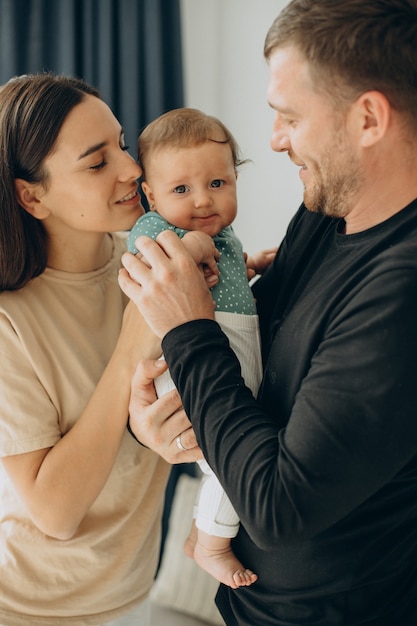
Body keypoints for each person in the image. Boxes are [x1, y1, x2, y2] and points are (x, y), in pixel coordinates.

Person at [118, 1, 417, 625]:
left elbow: (278, 506)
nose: (276, 140)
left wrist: (188, 330)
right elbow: (265, 356)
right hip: (251, 606)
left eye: (288, 117)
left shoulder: (401, 286)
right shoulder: (327, 211)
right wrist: (160, 422)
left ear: (368, 118)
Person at [0, 73, 194, 626]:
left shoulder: (156, 261)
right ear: (31, 195)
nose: (133, 169)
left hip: (130, 595)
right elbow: (56, 514)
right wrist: (137, 334)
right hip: (26, 608)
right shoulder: (8, 321)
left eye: (123, 145)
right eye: (96, 161)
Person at [127, 107, 275, 589]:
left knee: (235, 447)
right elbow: (150, 267)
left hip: (231, 340)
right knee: (236, 457)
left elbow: (223, 276)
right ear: (150, 195)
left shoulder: (224, 235)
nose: (203, 201)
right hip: (193, 353)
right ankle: (210, 544)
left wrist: (249, 264)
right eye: (181, 190)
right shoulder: (153, 230)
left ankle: (199, 535)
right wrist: (188, 248)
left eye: (217, 183)